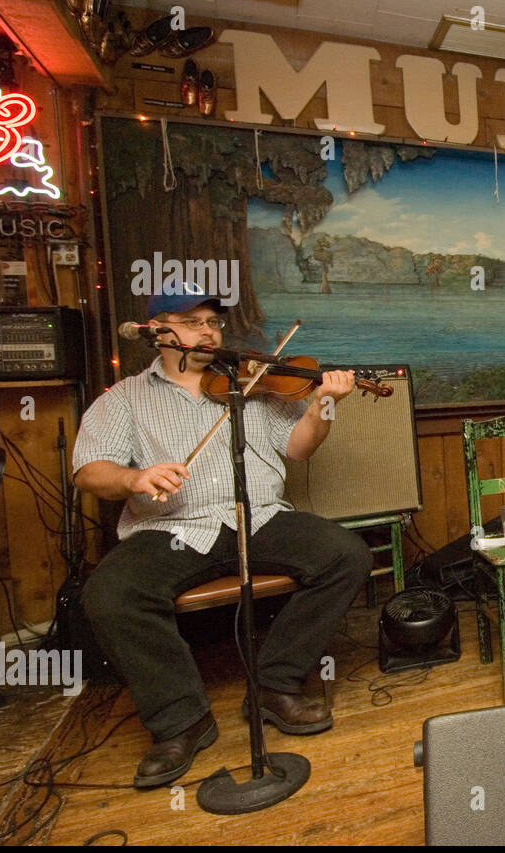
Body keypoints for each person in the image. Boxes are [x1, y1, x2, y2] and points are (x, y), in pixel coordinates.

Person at [73, 281, 372, 788]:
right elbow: (88, 471)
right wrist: (134, 479)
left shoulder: (248, 381)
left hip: (258, 517)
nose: (209, 332)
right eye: (194, 322)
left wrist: (323, 403)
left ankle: (274, 686)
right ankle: (181, 720)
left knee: (346, 555)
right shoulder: (124, 398)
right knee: (109, 593)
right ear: (158, 332)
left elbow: (299, 449)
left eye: (213, 322)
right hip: (171, 527)